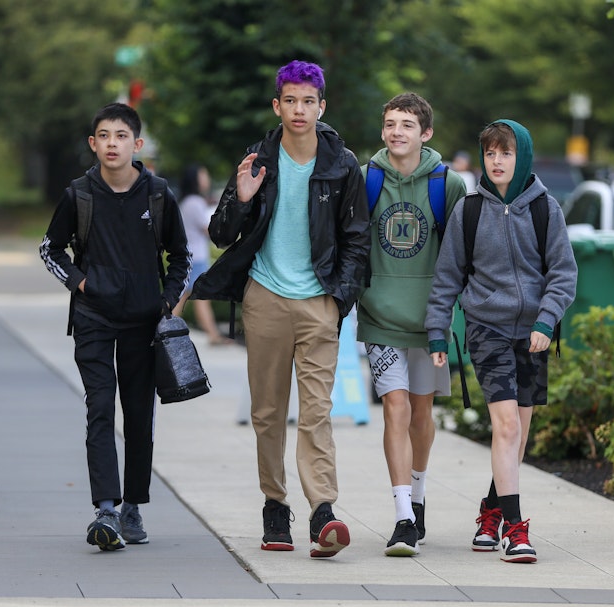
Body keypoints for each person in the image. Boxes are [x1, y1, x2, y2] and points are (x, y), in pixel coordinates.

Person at [190, 60, 370, 558]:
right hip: (265, 299)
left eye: (308, 101)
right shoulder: (257, 157)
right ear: (277, 105)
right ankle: (275, 505)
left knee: (316, 413)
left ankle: (322, 511)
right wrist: (241, 199)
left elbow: (357, 240)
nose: (299, 109)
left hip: (319, 304)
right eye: (289, 100)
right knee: (268, 414)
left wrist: (338, 301)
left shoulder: (342, 164)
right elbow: (221, 233)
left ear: (321, 106)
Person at [39, 102, 190, 552]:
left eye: (121, 136)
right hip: (93, 319)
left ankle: (133, 507)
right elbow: (50, 249)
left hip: (144, 323)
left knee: (139, 416)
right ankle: (105, 508)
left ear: (136, 144)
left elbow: (181, 258)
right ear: (93, 143)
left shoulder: (158, 194)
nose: (112, 144)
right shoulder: (78, 195)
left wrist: (165, 301)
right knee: (100, 408)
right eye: (104, 136)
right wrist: (80, 282)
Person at [425, 119, 577, 563]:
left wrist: (546, 322)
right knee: (507, 427)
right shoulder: (469, 211)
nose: (497, 161)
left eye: (506, 153)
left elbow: (563, 274)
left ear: (522, 156)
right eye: (490, 153)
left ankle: (489, 512)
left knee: (519, 434)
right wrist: (438, 330)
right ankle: (515, 529)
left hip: (533, 334)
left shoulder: (545, 208)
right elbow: (447, 277)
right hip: (486, 329)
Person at [356, 93, 467, 557]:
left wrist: (454, 316)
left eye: (406, 124)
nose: (396, 131)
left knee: (422, 414)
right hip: (380, 316)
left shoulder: (449, 184)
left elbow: (463, 254)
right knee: (395, 408)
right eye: (389, 123)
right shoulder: (366, 180)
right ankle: (403, 516)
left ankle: (418, 497)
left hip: (430, 320)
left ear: (426, 133)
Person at [172, 164, 233, 345]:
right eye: (203, 175)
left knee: (189, 297)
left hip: (191, 257)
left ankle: (211, 335)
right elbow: (209, 230)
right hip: (195, 258)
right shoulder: (195, 203)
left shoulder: (188, 201)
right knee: (192, 297)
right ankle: (163, 330)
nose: (206, 179)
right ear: (195, 180)